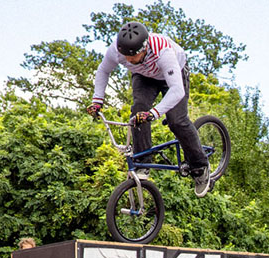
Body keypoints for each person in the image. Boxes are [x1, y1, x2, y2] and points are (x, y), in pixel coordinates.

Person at [87, 21, 213, 197]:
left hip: (172, 76)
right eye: (125, 57)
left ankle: (200, 167)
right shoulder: (116, 50)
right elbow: (103, 71)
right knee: (138, 110)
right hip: (145, 76)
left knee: (176, 120)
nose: (127, 60)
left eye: (132, 57)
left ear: (144, 48)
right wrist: (97, 100)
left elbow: (177, 91)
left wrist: (154, 113)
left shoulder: (163, 52)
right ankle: (143, 161)